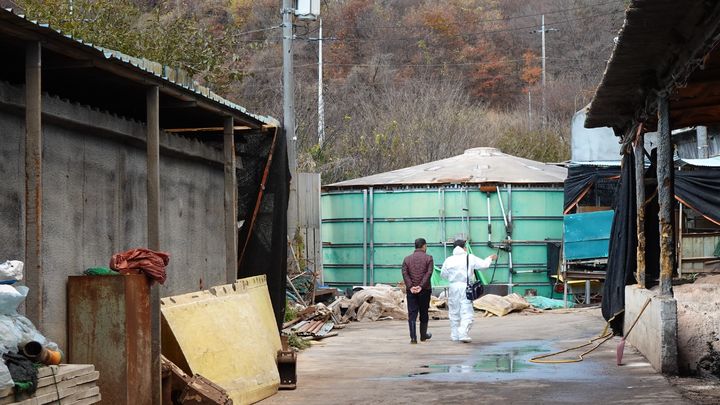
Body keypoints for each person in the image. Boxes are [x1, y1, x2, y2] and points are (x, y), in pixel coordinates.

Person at [440, 239, 496, 343]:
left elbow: (443, 274)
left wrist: (453, 277)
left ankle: (455, 335)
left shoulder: (449, 259)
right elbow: (484, 265)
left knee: (454, 311)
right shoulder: (469, 257)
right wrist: (490, 258)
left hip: (452, 287)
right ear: (464, 247)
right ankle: (463, 333)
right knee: (466, 311)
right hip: (465, 286)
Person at [401, 238, 434, 344]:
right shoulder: (429, 258)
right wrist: (421, 286)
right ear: (424, 246)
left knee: (412, 313)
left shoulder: (407, 259)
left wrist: (411, 286)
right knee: (424, 312)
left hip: (411, 291)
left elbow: (405, 273)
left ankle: (413, 338)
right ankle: (423, 336)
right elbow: (428, 273)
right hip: (424, 290)